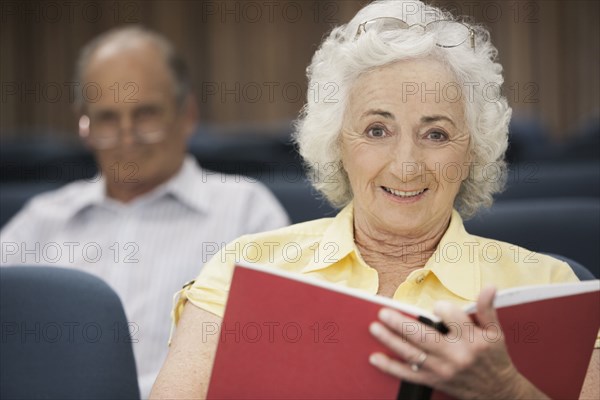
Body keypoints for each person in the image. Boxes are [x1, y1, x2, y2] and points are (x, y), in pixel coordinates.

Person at [150, 1, 599, 398]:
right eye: (377, 130)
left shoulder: (553, 288)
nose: (406, 165)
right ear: (337, 144)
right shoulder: (243, 269)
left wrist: (507, 393)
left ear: (473, 152)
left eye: (436, 134)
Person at [0, 26, 289, 398]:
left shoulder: (246, 211)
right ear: (84, 126)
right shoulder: (42, 219)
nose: (126, 137)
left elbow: (267, 357)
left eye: (145, 115)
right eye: (106, 118)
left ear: (186, 114)